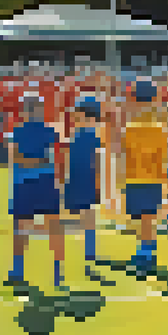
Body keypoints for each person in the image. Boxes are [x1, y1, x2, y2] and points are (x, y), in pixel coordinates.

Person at [7, 92, 64, 288]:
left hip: (24, 185)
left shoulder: (16, 133)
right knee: (54, 227)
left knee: (21, 229)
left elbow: (16, 159)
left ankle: (17, 271)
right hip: (46, 183)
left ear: (24, 111)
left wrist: (32, 162)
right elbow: (57, 160)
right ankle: (57, 273)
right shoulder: (50, 132)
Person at [119, 79, 168, 277]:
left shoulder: (131, 128)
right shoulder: (158, 128)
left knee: (144, 219)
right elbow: (163, 156)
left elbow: (123, 153)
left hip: (137, 178)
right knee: (145, 219)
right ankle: (146, 251)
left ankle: (146, 255)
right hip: (151, 179)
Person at [61, 95, 105, 263]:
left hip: (84, 180)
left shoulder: (89, 137)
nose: (75, 116)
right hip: (80, 180)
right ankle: (88, 252)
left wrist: (98, 185)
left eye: (78, 112)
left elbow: (97, 162)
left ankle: (88, 252)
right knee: (85, 218)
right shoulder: (79, 136)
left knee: (86, 217)